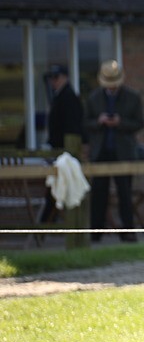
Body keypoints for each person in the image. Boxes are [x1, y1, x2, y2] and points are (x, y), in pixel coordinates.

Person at [84, 60, 144, 242]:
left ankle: (128, 233)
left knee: (125, 193)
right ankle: (96, 233)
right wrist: (99, 121)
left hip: (123, 152)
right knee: (99, 195)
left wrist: (120, 122)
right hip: (101, 152)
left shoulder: (133, 97)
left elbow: (139, 123)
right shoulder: (94, 98)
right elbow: (85, 123)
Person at [39, 64, 84, 223]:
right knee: (55, 188)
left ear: (65, 77)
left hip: (65, 151)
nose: (53, 81)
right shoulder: (59, 96)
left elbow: (72, 127)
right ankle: (47, 223)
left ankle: (46, 224)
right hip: (58, 150)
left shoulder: (69, 96)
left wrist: (63, 149)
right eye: (52, 78)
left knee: (58, 188)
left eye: (56, 77)